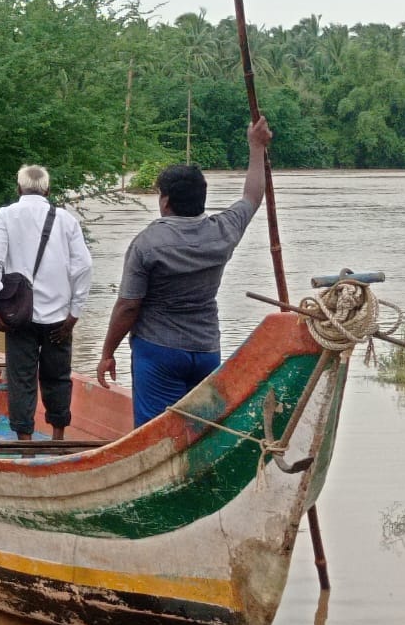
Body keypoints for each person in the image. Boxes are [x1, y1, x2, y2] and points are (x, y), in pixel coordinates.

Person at [97, 116, 274, 427]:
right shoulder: (223, 231)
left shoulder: (147, 243)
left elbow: (128, 306)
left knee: (155, 432)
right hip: (206, 349)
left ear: (165, 201)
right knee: (200, 430)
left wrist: (107, 352)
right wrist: (256, 147)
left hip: (158, 352)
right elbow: (252, 197)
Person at [0, 165, 93, 441]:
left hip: (19, 316)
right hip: (59, 317)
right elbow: (84, 267)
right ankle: (57, 439)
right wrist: (74, 314)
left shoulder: (5, 216)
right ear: (48, 190)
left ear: (19, 189)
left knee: (21, 380)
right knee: (58, 377)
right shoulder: (66, 220)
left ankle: (26, 444)